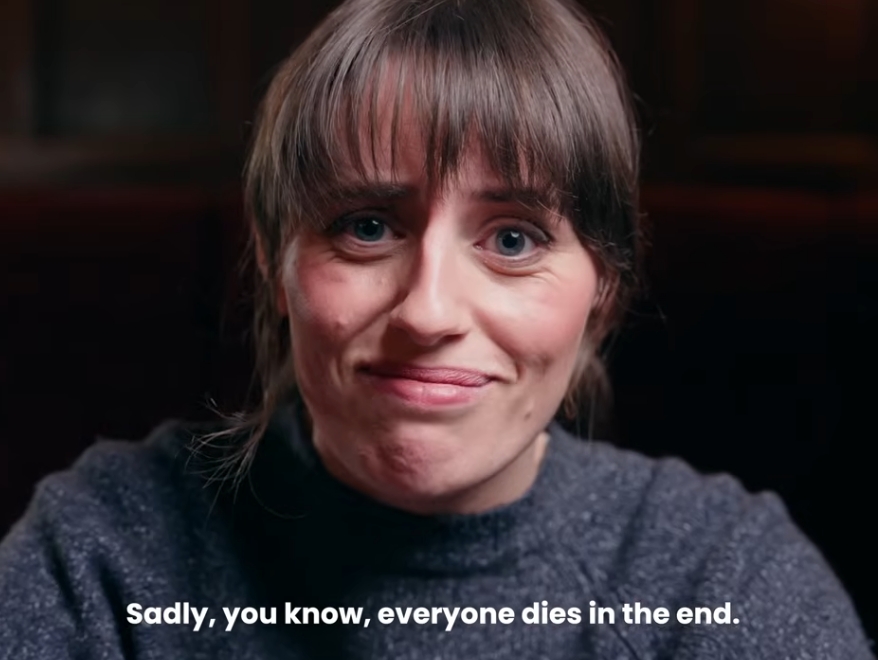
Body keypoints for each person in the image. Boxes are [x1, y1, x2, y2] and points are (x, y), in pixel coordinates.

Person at [0, 0, 873, 658]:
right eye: (366, 226)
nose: (428, 312)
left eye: (513, 239)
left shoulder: (720, 579)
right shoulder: (103, 558)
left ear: (604, 288)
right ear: (274, 260)